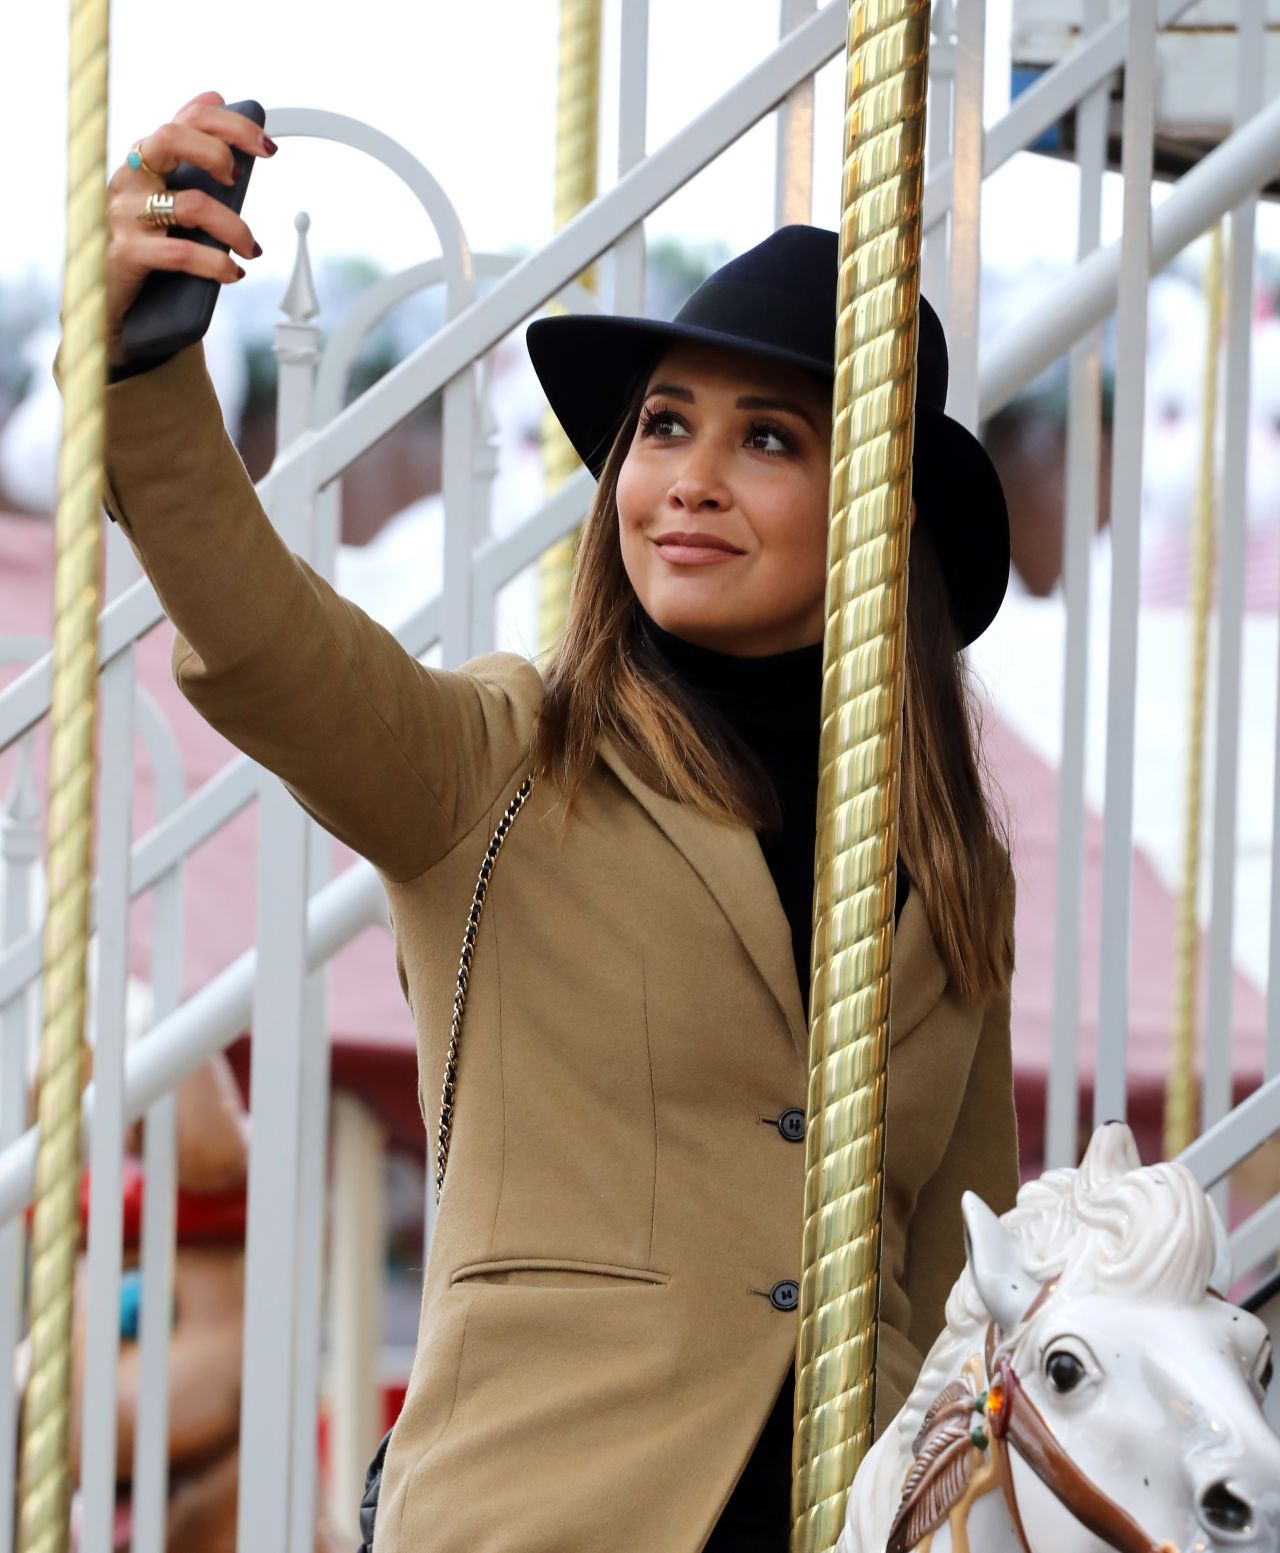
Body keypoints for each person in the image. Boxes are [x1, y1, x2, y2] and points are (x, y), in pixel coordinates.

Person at [65, 91, 1018, 1553]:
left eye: (766, 437)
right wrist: (147, 376)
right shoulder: (503, 763)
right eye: (661, 427)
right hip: (553, 1511)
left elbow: (969, 1272)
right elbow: (271, 644)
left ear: (879, 512)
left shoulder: (950, 866)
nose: (687, 476)